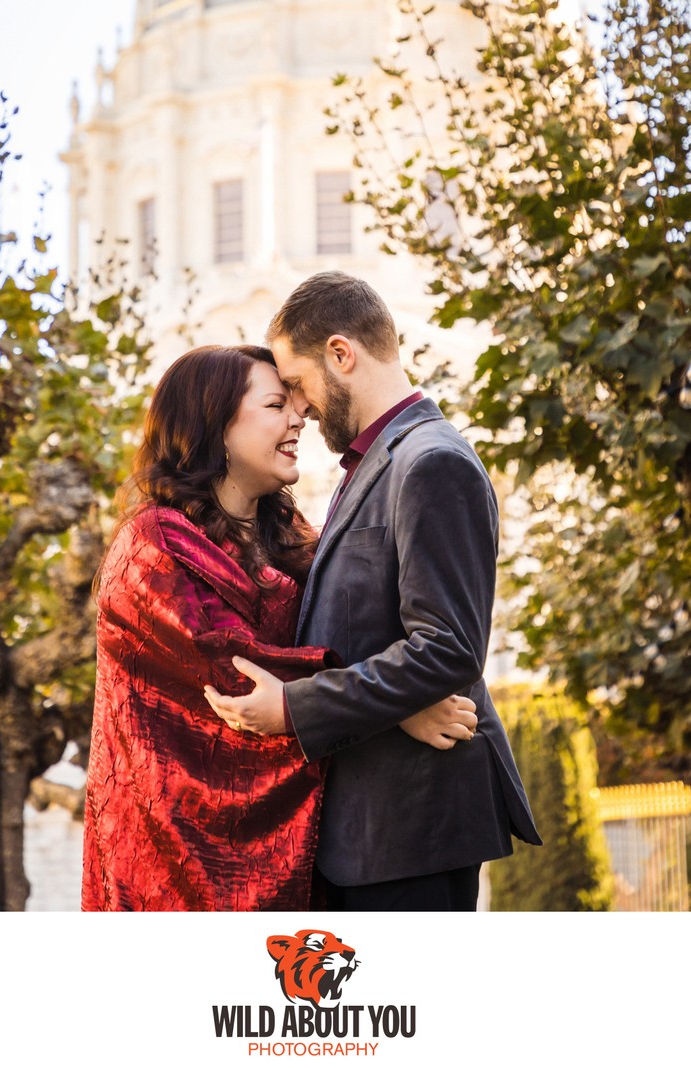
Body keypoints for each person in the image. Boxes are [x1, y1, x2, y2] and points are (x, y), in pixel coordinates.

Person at [81, 343, 476, 912]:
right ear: (213, 425)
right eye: (275, 405)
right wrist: (401, 706)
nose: (300, 418)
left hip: (301, 848)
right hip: (177, 852)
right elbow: (236, 679)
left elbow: (343, 633)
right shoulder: (152, 546)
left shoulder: (285, 530)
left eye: (295, 402)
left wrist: (393, 688)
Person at [205, 273, 541, 912]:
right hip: (373, 832)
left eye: (298, 385)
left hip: (410, 832)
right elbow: (360, 633)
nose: (298, 408)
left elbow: (447, 650)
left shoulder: (430, 462)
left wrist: (296, 708)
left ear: (341, 354)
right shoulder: (381, 461)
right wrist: (398, 707)